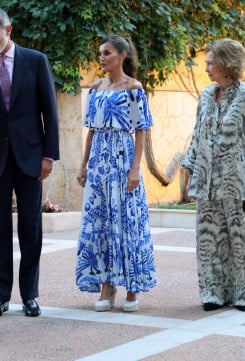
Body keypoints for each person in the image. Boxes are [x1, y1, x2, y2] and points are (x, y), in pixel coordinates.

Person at [0, 8, 60, 318]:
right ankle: (0, 296)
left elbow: (50, 110)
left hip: (31, 156)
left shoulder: (35, 61)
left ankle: (29, 295)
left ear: (8, 29)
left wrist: (49, 154)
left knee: (31, 227)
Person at [180, 38, 245, 312]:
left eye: (211, 63)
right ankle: (212, 293)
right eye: (207, 63)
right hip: (207, 180)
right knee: (207, 238)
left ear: (227, 65)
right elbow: (197, 134)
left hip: (236, 180)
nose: (207, 68)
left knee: (239, 239)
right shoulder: (207, 95)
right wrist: (192, 168)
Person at [75, 35, 157, 312]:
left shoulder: (134, 89)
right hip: (99, 162)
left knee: (127, 220)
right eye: (100, 53)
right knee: (100, 222)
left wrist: (136, 168)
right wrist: (83, 165)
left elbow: (141, 129)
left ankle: (132, 288)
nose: (102, 58)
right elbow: (91, 131)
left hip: (123, 161)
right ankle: (107, 287)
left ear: (122, 55)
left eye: (107, 53)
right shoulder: (95, 88)